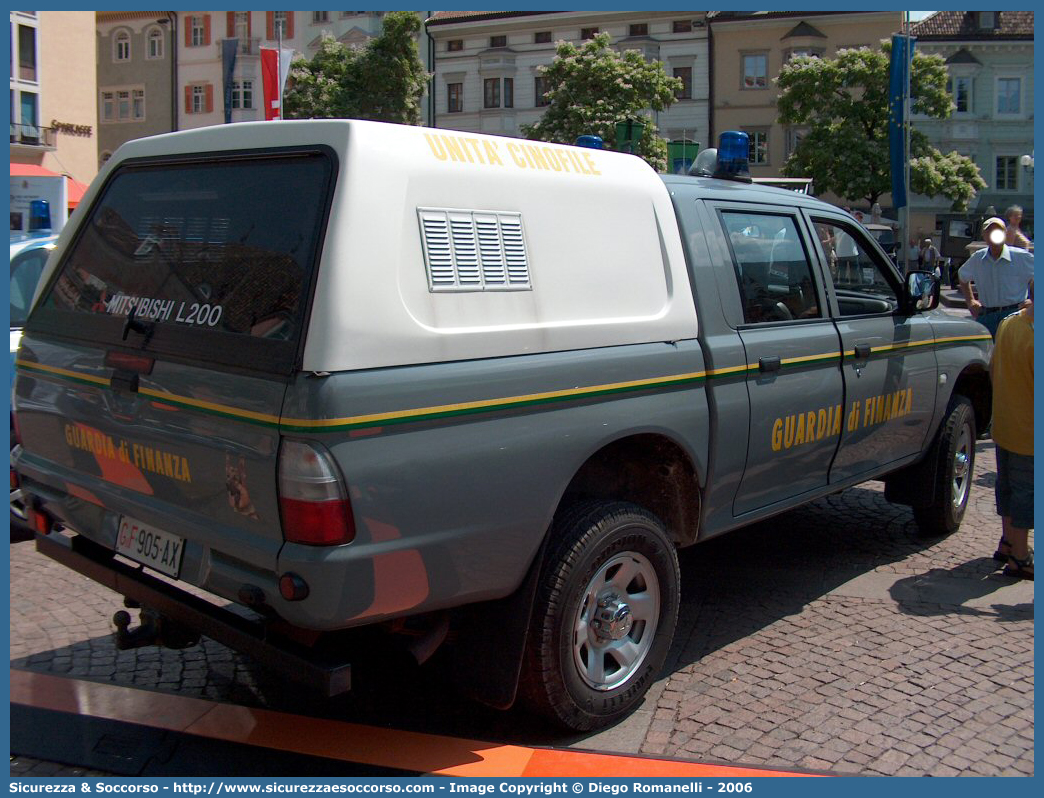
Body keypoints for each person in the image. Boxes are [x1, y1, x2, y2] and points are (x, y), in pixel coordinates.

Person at [990, 280, 1033, 580]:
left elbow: (994, 368)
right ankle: (1020, 556)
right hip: (1028, 431)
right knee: (1026, 493)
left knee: (1005, 485)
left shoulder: (1008, 324)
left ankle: (1006, 542)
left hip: (1004, 423)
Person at [958, 217, 1034, 338]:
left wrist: (1033, 301)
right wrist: (970, 301)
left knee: (1012, 354)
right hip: (987, 316)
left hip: (1014, 315)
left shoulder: (1020, 257)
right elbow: (962, 276)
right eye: (990, 231)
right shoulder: (978, 258)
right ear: (984, 235)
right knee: (986, 354)